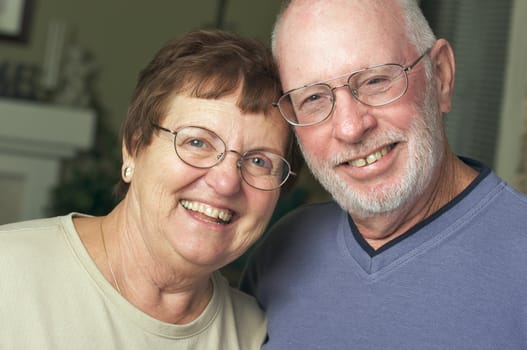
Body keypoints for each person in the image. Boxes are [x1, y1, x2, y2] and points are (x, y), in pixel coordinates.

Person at [241, 0, 527, 348]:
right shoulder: (279, 252)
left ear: (441, 76)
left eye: (376, 80)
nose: (350, 128)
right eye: (314, 98)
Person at [0, 29, 300, 349]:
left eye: (259, 161)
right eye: (197, 142)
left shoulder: (257, 335)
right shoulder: (9, 274)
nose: (226, 183)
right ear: (134, 147)